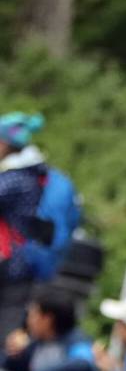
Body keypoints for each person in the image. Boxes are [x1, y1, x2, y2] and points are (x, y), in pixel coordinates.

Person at [0, 112, 48, 339]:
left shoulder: (15, 179)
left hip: (12, 263)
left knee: (6, 329)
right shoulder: (33, 173)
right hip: (23, 260)